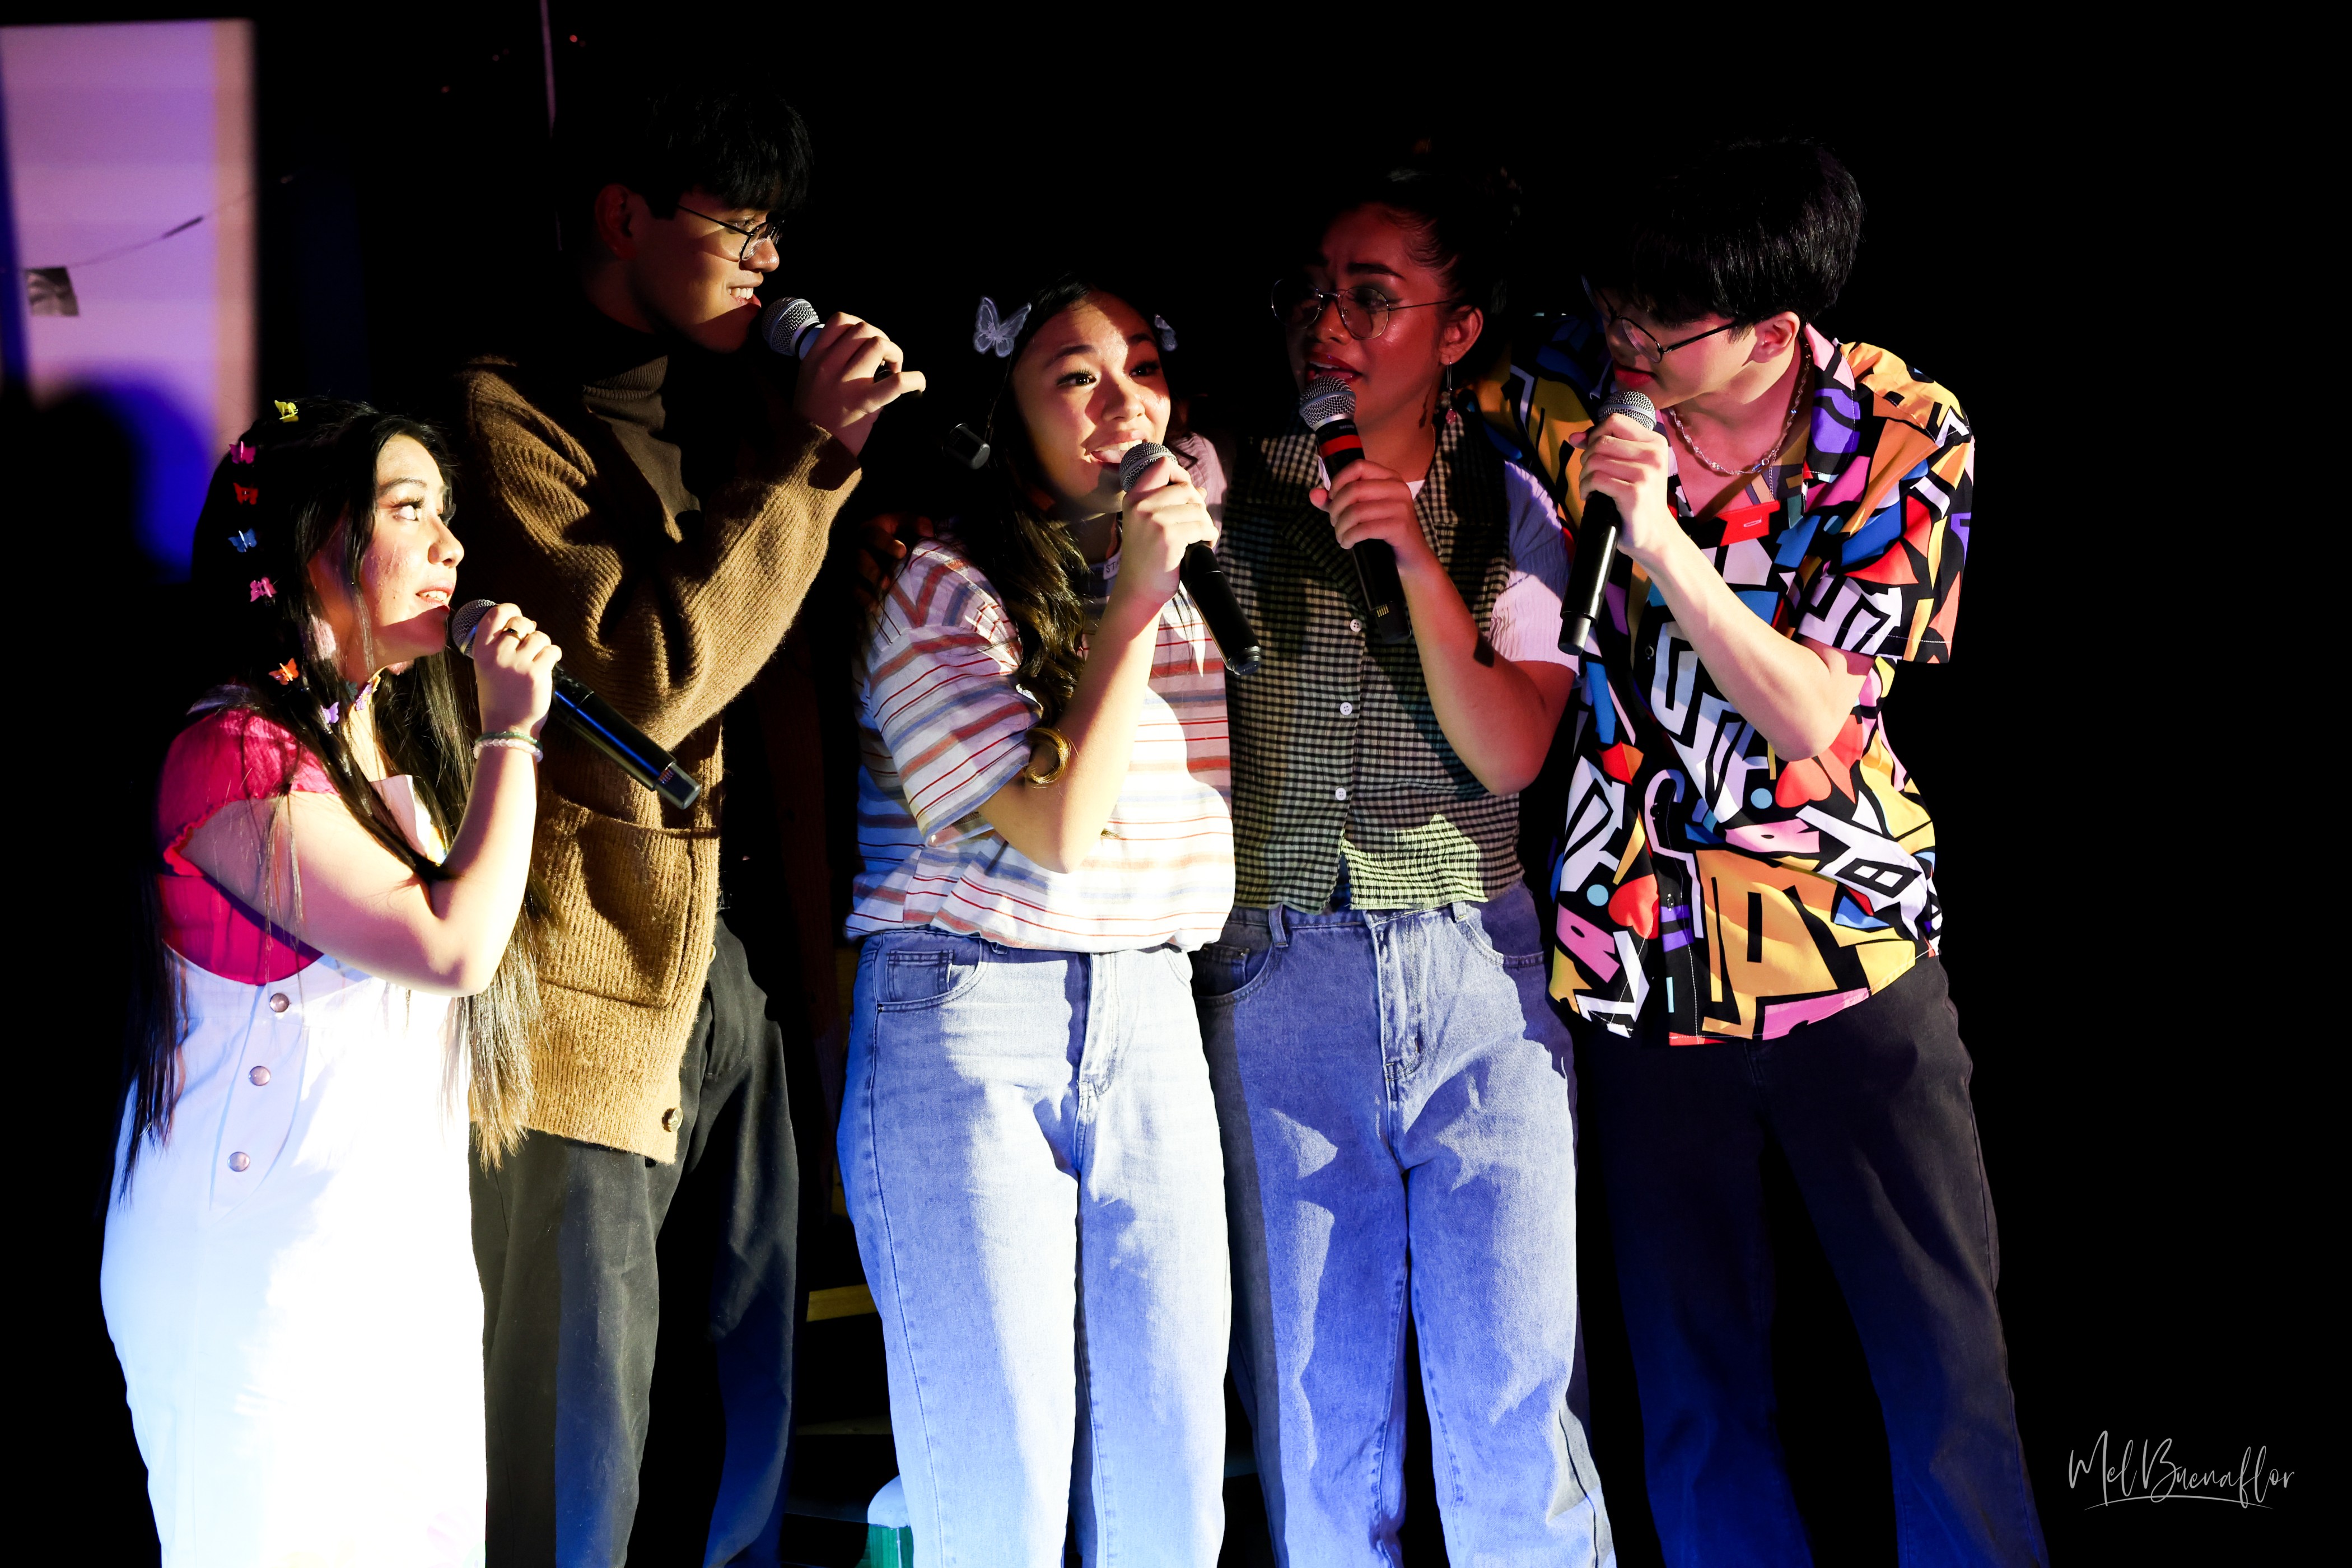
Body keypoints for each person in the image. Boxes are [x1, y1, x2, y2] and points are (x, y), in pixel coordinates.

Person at [1481, 138, 2045, 1564]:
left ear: (1775, 331)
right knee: (1694, 1394)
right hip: (1635, 963)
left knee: (1941, 1370)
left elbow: (1812, 715)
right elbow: (1396, 382)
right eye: (1615, 313)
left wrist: (1662, 543)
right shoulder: (1559, 386)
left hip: (1847, 949)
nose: (1628, 348)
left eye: (1659, 331)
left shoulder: (1904, 428)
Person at [451, 69, 922, 1562]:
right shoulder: (499, 413)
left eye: (782, 232)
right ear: (621, 216)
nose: (771, 261)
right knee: (583, 1434)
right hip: (587, 977)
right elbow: (647, 674)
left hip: (740, 969)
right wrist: (812, 463)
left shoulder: (742, 407)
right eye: (742, 226)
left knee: (747, 1410)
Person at [1200, 158, 1613, 1564]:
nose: (1329, 321)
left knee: (1509, 1404)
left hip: (1473, 971)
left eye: (1370, 298)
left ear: (1454, 332)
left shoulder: (1516, 513)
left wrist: (1419, 567)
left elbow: (1509, 752)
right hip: (1281, 969)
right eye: (1316, 292)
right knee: (1321, 1418)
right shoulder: (1228, 484)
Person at [102, 399, 553, 1568]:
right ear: (314, 545)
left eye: (449, 516)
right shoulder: (232, 751)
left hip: (391, 1274)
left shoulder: (367, 756)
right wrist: (513, 738)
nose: (453, 545)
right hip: (264, 1283)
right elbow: (455, 945)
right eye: (413, 511)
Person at [840, 278, 1234, 1562]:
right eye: (1075, 374)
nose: (1124, 402)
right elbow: (1055, 833)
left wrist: (1153, 581)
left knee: (1171, 1491)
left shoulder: (1183, 572)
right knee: (999, 1496)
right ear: (1009, 409)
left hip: (1153, 1005)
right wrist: (1131, 600)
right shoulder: (939, 592)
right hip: (969, 1015)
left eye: (1143, 367)